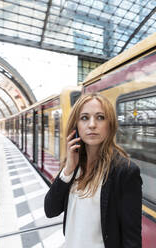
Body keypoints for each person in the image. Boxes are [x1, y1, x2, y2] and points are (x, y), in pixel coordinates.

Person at [44, 93, 142, 248]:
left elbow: (132, 238)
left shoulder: (125, 172)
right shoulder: (73, 165)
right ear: (76, 125)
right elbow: (50, 210)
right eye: (84, 118)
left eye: (100, 117)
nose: (92, 125)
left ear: (110, 124)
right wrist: (68, 168)